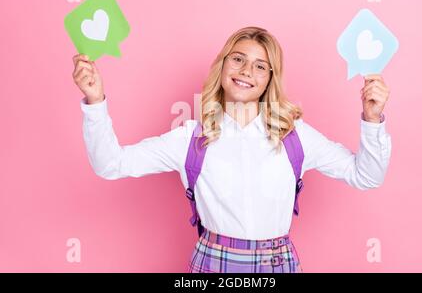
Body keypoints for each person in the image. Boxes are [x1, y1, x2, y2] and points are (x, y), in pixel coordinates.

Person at [72, 26, 391, 273]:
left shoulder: (296, 138)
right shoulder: (189, 139)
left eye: (260, 66)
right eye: (238, 59)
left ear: (269, 80)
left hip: (278, 265)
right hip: (211, 264)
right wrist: (95, 101)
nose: (246, 71)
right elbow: (110, 164)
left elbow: (366, 176)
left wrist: (372, 119)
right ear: (223, 66)